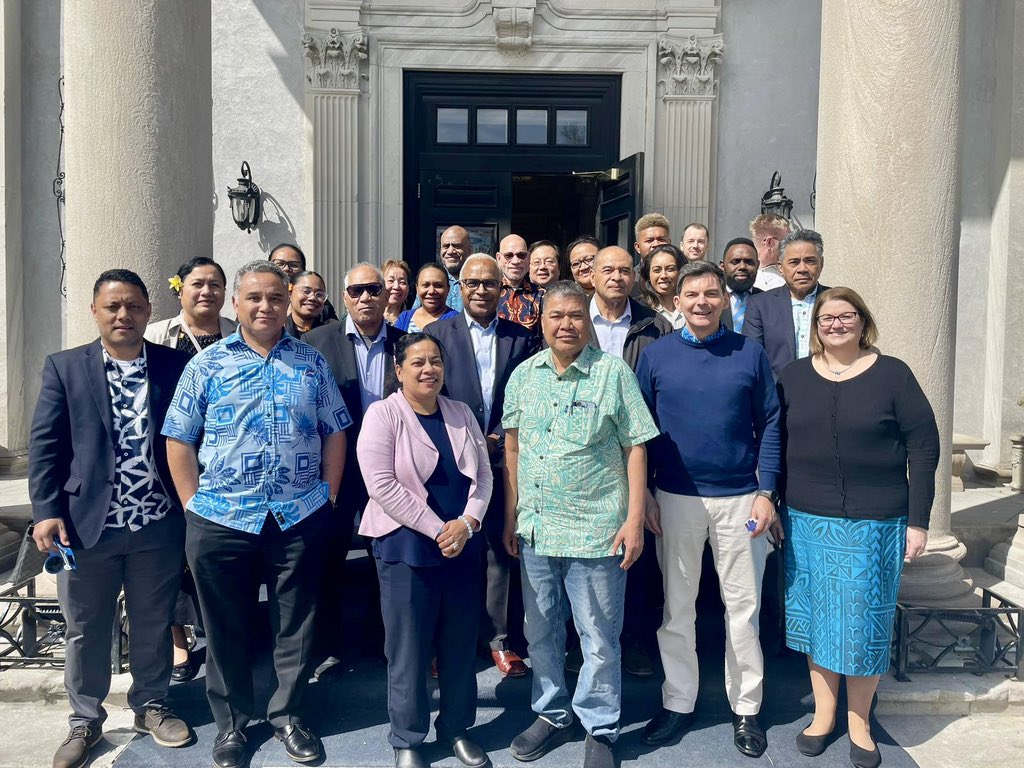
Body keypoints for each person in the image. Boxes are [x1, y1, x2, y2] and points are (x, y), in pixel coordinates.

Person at [163, 261, 350, 768]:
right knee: (225, 628)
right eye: (254, 298)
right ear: (236, 304)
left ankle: (288, 716)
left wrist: (328, 494)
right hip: (222, 520)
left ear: (287, 300)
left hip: (297, 517)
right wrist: (192, 506)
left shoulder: (310, 363)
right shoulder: (206, 365)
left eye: (273, 297)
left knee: (297, 624)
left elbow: (335, 428)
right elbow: (178, 439)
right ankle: (231, 726)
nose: (265, 307)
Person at [30, 270, 192, 768]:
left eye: (134, 306)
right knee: (86, 627)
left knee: (153, 620)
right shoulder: (65, 367)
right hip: (84, 526)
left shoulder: (176, 365)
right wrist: (46, 512)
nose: (124, 315)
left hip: (156, 522)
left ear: (148, 310)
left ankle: (152, 705)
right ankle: (84, 719)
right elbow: (46, 446)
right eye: (113, 307)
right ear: (95, 311)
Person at [778, 287, 938, 768]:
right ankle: (823, 715)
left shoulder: (894, 375)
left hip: (874, 522)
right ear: (815, 326)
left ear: (862, 321)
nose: (835, 324)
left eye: (846, 316)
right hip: (806, 520)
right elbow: (776, 443)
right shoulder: (793, 376)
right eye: (826, 318)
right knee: (817, 622)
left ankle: (859, 720)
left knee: (864, 625)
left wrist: (918, 521)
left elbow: (924, 449)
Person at [502, 281, 659, 768]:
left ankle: (600, 725)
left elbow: (637, 446)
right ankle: (551, 713)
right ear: (542, 322)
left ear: (586, 322)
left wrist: (635, 519)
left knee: (598, 636)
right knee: (541, 633)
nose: (566, 324)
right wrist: (512, 512)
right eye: (556, 316)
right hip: (537, 530)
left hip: (597, 532)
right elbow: (512, 447)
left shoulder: (613, 374)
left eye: (575, 316)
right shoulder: (524, 375)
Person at [636, 261, 781, 760]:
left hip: (741, 497)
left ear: (724, 300)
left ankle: (746, 706)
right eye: (691, 294)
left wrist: (768, 493)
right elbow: (640, 432)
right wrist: (646, 496)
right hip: (674, 500)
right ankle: (679, 701)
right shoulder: (655, 357)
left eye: (710, 294)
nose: (701, 302)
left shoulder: (751, 354)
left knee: (743, 609)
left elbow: (771, 423)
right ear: (676, 300)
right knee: (677, 607)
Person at [357, 333, 493, 768]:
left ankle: (456, 729)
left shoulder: (460, 412)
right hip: (406, 548)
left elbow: (484, 477)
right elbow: (381, 485)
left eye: (435, 361)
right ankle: (408, 738)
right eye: (417, 362)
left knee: (458, 647)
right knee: (408, 650)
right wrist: (440, 529)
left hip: (463, 546)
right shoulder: (384, 414)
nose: (428, 369)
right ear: (398, 371)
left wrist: (468, 523)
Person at [429, 254, 539, 677]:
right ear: (460, 286)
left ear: (501, 288)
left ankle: (498, 640)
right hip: (449, 460)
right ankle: (446, 640)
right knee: (450, 549)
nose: (480, 290)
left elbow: (524, 395)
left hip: (502, 456)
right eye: (472, 282)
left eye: (488, 283)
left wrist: (494, 436)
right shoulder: (436, 333)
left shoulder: (520, 337)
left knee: (498, 550)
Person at [304, 263, 406, 677]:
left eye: (373, 289)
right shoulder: (315, 342)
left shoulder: (407, 343)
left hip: (391, 469)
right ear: (344, 297)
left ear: (386, 295)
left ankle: (387, 641)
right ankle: (329, 643)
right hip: (336, 468)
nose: (366, 297)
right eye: (357, 290)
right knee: (327, 558)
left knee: (390, 558)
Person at [144, 256, 237, 682]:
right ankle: (179, 644)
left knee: (213, 555)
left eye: (215, 284)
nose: (207, 292)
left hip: (225, 465)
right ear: (180, 288)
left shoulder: (237, 334)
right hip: (168, 460)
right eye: (198, 283)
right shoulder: (158, 336)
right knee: (174, 554)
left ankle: (219, 637)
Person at [589, 245, 671, 676]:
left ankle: (634, 640)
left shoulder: (655, 326)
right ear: (591, 275)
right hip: (586, 461)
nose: (617, 277)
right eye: (608, 270)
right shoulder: (571, 320)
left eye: (624, 270)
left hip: (639, 452)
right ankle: (578, 642)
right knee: (584, 554)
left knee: (634, 552)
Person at [743, 229, 830, 379]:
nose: (802, 269)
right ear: (781, 267)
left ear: (821, 264)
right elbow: (753, 357)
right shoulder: (760, 305)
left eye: (810, 261)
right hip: (778, 395)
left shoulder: (837, 301)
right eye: (794, 262)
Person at [270, 242, 339, 322]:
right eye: (280, 264)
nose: (286, 269)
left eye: (294, 265)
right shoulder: (259, 296)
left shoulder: (317, 301)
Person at [496, 233, 543, 331]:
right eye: (508, 255)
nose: (516, 261)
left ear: (528, 258)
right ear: (499, 258)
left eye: (521, 255)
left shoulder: (542, 295)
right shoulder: (489, 292)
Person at [396, 264, 459, 332]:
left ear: (448, 289)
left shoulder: (456, 320)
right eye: (426, 285)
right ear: (417, 288)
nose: (431, 291)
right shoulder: (404, 317)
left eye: (438, 286)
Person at [719, 237, 762, 333]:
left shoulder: (768, 302)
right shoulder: (712, 299)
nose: (742, 267)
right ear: (722, 266)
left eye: (749, 262)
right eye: (735, 262)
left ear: (757, 265)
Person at [638, 243, 685, 330]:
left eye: (670, 269)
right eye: (657, 270)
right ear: (648, 275)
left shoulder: (692, 307)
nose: (663, 276)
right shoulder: (638, 310)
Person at [286, 270, 335, 339]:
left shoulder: (334, 331)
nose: (312, 298)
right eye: (306, 291)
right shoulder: (276, 330)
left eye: (319, 294)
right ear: (290, 293)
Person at [748, 215, 788, 291]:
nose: (791, 246)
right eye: (787, 241)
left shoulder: (790, 275)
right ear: (769, 242)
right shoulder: (744, 277)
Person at [382, 259, 412, 325]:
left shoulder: (412, 319)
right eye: (391, 281)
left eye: (402, 282)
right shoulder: (371, 318)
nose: (396, 287)